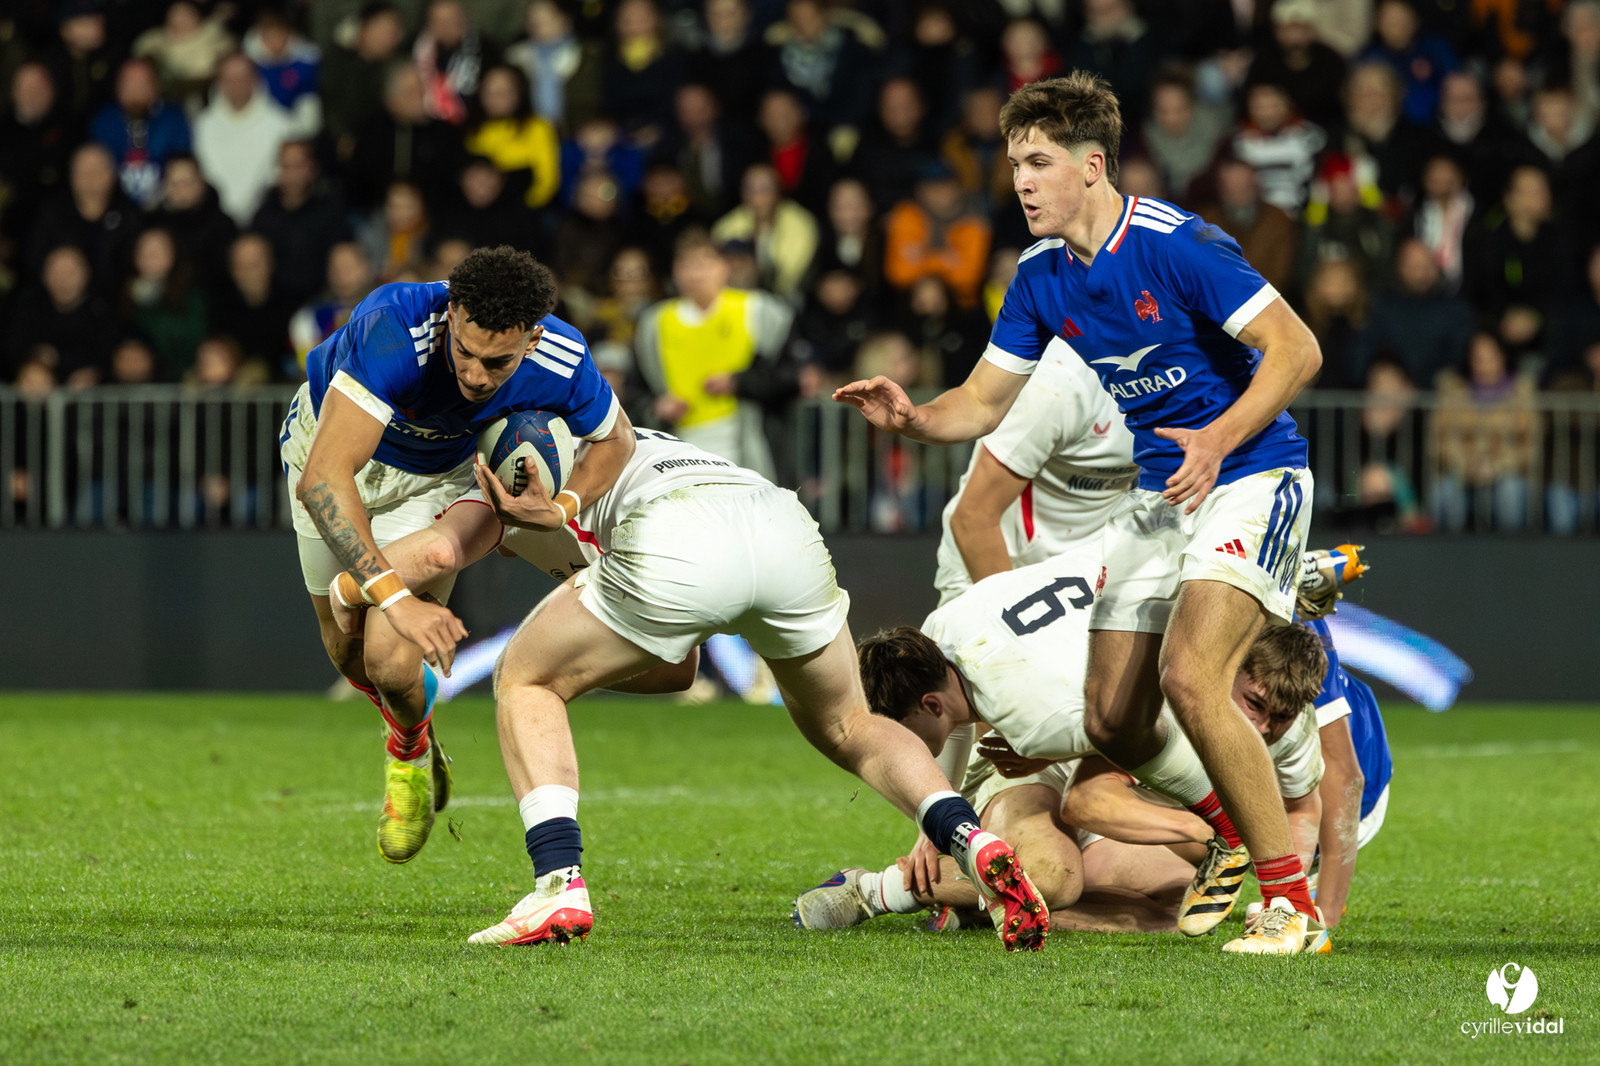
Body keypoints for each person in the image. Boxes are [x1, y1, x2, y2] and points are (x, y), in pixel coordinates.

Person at [833, 72, 1327, 955]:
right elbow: (981, 404)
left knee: (1189, 676)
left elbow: (1296, 347)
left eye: (1038, 160)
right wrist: (914, 416)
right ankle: (1223, 833)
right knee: (1111, 721)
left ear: (1092, 165)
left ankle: (1292, 905)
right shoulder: (1039, 277)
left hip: (1251, 474)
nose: (1020, 180)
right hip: (1162, 495)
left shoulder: (1179, 244)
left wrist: (1217, 438)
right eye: (1013, 161)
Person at [321, 428, 1053, 952]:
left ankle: (557, 885)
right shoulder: (622, 436)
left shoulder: (499, 470)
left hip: (678, 538)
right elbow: (679, 668)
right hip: (779, 525)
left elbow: (440, 550)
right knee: (850, 727)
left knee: (527, 677)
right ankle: (969, 836)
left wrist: (347, 590)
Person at [278, 245, 637, 865]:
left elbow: (617, 439)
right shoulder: (395, 326)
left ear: (529, 341)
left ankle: (408, 753)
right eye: (465, 353)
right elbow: (324, 479)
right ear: (451, 317)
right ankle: (414, 724)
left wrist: (564, 508)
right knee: (346, 652)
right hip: (334, 454)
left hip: (445, 474)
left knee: (390, 663)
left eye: (496, 364)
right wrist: (394, 598)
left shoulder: (561, 354)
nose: (474, 375)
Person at [792, 615, 1327, 941]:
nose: (1262, 727)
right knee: (1055, 877)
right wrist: (1211, 834)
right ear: (1232, 665)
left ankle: (974, 908)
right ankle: (872, 891)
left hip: (1072, 761)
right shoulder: (1179, 674)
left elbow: (1304, 809)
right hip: (1031, 769)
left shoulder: (1283, 723)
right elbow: (1087, 802)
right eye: (1253, 704)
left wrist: (1298, 895)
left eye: (1278, 718)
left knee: (1175, 907)